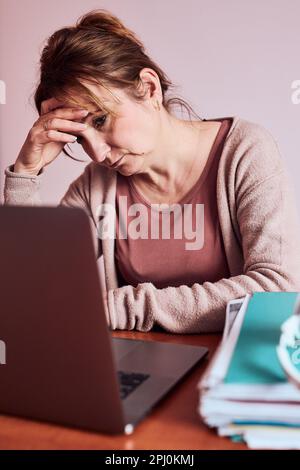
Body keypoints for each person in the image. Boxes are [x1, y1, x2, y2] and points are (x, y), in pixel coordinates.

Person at [3, 9, 300, 333]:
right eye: (79, 137)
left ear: (149, 88)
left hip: (235, 372)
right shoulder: (97, 186)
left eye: (101, 120)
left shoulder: (245, 152)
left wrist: (121, 307)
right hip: (142, 368)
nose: (97, 153)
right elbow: (32, 290)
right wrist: (26, 174)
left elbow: (275, 288)